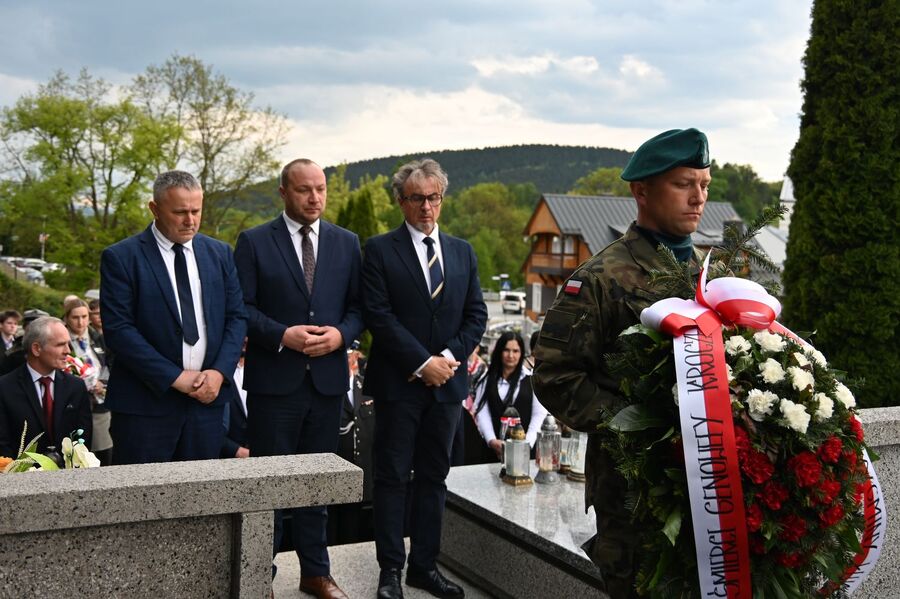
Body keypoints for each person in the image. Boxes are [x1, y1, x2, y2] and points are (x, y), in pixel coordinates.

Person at [532, 128, 711, 597]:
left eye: (705, 185)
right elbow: (555, 375)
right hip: (634, 494)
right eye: (683, 184)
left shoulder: (713, 277)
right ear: (641, 190)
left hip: (710, 487)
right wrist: (637, 423)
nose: (698, 198)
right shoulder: (601, 277)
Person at [233, 158, 362, 599]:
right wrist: (280, 335)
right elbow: (242, 309)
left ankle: (316, 573)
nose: (315, 198)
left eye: (321, 189)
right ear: (284, 193)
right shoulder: (253, 242)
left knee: (315, 484)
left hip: (325, 384)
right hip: (274, 385)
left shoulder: (347, 243)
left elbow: (359, 308)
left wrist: (342, 334)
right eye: (305, 190)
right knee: (266, 486)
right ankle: (259, 575)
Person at [362, 158, 487, 599]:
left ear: (442, 199)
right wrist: (422, 363)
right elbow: (379, 316)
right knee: (392, 478)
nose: (427, 207)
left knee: (435, 478)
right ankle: (390, 572)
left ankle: (424, 567)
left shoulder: (462, 251)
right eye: (417, 198)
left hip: (448, 387)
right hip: (400, 386)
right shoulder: (378, 250)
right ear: (401, 201)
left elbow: (477, 315)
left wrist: (448, 358)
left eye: (434, 198)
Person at [99, 170, 247, 465]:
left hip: (207, 405)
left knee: (202, 503)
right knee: (143, 503)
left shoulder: (219, 254)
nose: (190, 220)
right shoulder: (122, 257)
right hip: (145, 408)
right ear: (154, 209)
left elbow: (236, 318)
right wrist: (176, 378)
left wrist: (219, 373)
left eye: (196, 210)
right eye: (180, 212)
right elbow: (119, 330)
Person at [0, 316, 92, 457]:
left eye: (68, 344)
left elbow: (84, 439)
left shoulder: (76, 386)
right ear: (36, 349)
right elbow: (3, 443)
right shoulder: (5, 388)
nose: (68, 351)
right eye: (60, 345)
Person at [473, 332, 548, 462]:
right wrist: (492, 440)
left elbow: (539, 414)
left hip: (525, 454)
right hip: (493, 452)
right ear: (499, 351)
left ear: (521, 353)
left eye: (516, 351)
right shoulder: (486, 380)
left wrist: (527, 444)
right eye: (506, 350)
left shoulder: (532, 380)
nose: (511, 355)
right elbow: (482, 413)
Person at [328, 343, 376, 545]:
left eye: (348, 355)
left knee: (352, 531)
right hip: (331, 476)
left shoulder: (366, 388)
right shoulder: (327, 388)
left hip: (360, 475)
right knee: (328, 528)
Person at [63, 297, 113, 466]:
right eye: (75, 317)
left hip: (100, 402)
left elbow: (108, 363)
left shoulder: (96, 337)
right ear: (67, 319)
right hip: (75, 402)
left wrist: (102, 383)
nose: (80, 322)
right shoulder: (63, 340)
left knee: (103, 452)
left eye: (84, 317)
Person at [220, 338, 249, 459]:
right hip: (225, 461)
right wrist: (236, 451)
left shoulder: (266, 370)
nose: (245, 338)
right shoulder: (217, 373)